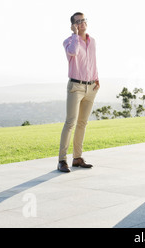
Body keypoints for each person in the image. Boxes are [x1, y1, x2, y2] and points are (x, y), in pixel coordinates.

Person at [58, 12, 100, 173]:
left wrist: (96, 78)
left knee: (83, 123)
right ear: (73, 25)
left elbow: (92, 62)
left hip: (91, 87)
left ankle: (77, 158)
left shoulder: (93, 41)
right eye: (78, 22)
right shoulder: (69, 42)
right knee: (70, 122)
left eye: (83, 20)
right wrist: (75, 35)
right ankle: (62, 160)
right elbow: (73, 52)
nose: (82, 23)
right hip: (75, 87)